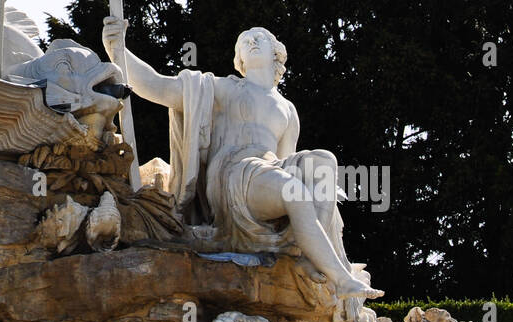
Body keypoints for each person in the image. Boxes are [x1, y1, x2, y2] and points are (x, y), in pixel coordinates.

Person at [102, 17, 381, 300]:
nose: (250, 40)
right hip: (235, 174)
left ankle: (311, 258)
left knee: (323, 161)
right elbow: (158, 86)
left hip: (269, 172)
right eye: (244, 41)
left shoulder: (288, 110)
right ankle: (340, 278)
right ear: (240, 61)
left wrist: (317, 192)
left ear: (276, 52)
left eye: (258, 37)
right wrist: (118, 50)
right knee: (294, 191)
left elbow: (287, 161)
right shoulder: (226, 89)